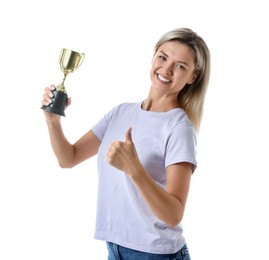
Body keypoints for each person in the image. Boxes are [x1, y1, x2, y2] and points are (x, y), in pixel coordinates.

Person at [41, 27, 210, 260]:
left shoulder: (178, 128)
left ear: (193, 76)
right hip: (115, 248)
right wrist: (53, 121)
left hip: (155, 254)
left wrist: (134, 168)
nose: (167, 69)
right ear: (153, 58)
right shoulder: (121, 112)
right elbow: (68, 158)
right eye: (163, 57)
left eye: (181, 66)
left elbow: (173, 215)